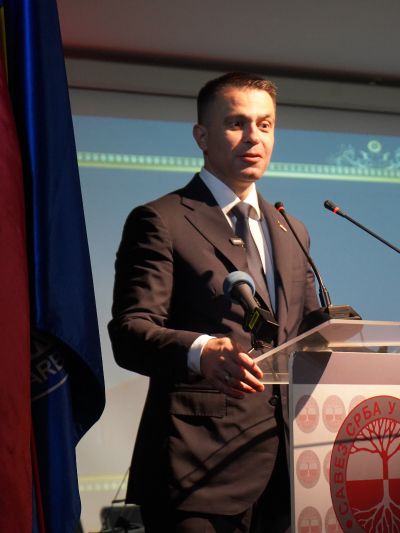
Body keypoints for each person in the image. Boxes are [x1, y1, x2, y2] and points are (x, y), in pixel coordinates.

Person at [108, 72, 318, 532]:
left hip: (288, 476)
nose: (254, 137)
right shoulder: (161, 220)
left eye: (265, 125)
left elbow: (305, 334)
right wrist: (201, 351)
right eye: (237, 123)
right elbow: (130, 331)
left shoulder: (291, 229)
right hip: (197, 473)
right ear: (202, 136)